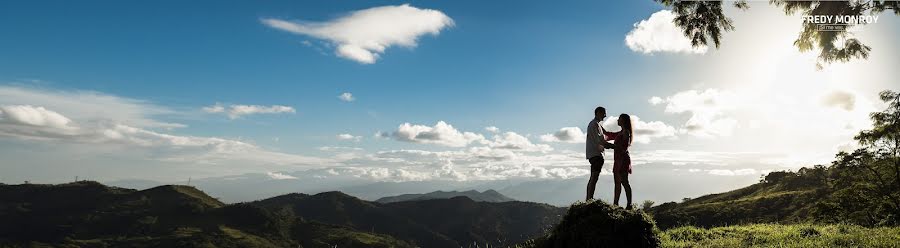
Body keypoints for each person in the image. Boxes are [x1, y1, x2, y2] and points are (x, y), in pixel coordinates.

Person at [604, 114, 633, 209]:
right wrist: (600, 128)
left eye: (619, 119)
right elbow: (610, 134)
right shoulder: (621, 132)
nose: (617, 120)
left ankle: (629, 204)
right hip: (618, 160)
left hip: (623, 160)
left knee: (624, 182)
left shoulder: (626, 132)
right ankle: (615, 204)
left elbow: (623, 148)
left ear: (623, 121)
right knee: (617, 183)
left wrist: (611, 146)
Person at [585, 106, 615, 201]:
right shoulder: (594, 125)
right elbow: (601, 141)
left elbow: (606, 135)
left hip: (594, 154)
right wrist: (615, 147)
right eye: (604, 113)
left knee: (593, 177)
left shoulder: (596, 124)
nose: (605, 116)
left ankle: (589, 198)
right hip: (596, 154)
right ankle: (589, 199)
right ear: (598, 113)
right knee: (594, 177)